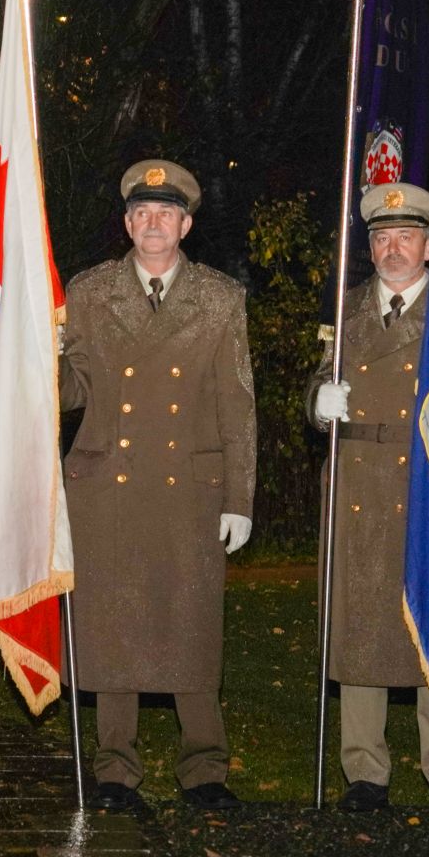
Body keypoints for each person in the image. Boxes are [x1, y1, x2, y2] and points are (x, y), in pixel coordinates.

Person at [60, 159, 256, 812]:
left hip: (187, 490)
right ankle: (115, 769)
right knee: (114, 628)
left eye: (165, 214)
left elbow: (237, 404)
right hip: (106, 483)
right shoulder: (87, 294)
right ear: (126, 223)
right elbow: (71, 391)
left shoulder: (221, 298)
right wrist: (34, 353)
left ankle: (204, 770)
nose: (153, 224)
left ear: (185, 224)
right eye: (141, 214)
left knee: (189, 627)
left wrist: (240, 498)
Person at [307, 182, 429, 812]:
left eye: (405, 237)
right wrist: (318, 404)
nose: (392, 248)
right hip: (359, 483)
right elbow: (315, 386)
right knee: (361, 627)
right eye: (382, 238)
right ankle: (365, 771)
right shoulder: (348, 306)